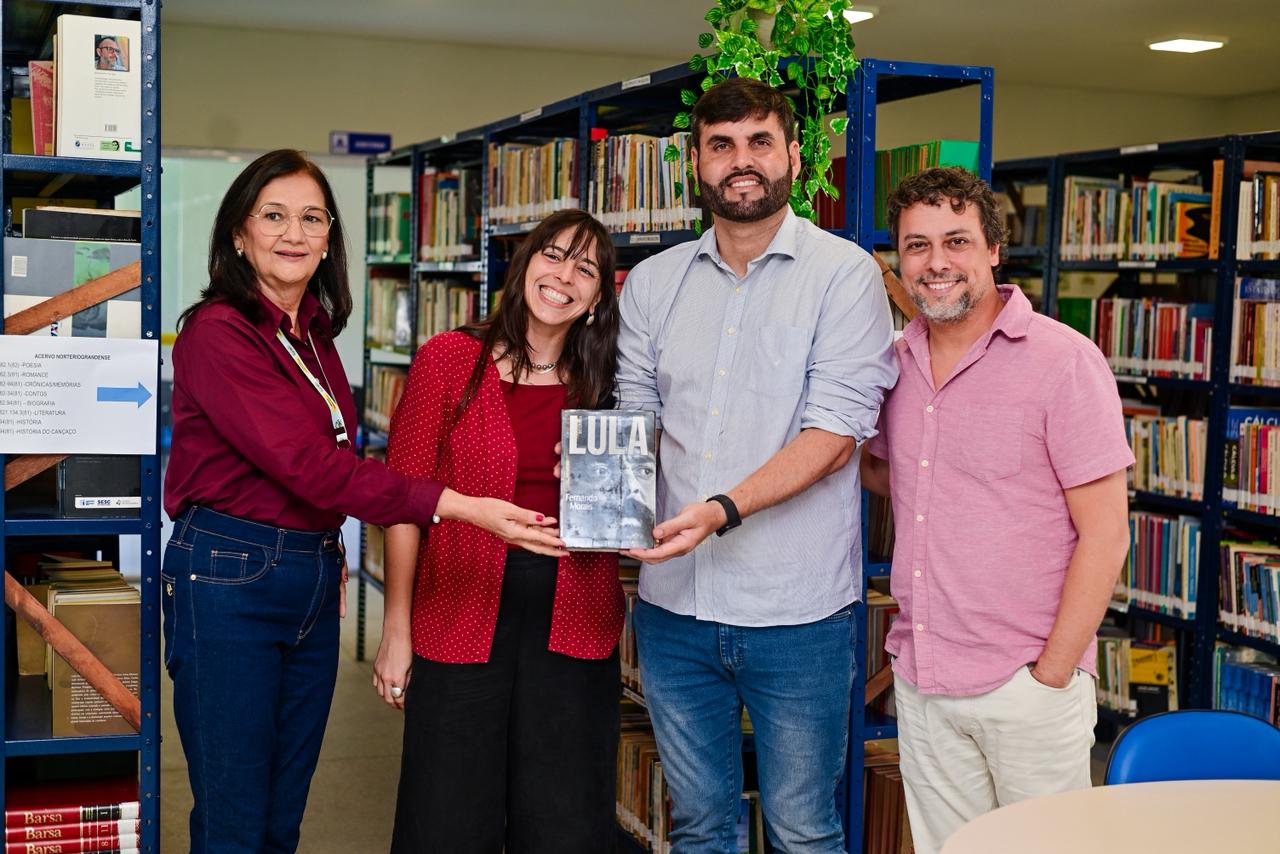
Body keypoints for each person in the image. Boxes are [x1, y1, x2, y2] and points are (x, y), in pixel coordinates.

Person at [162, 149, 562, 854]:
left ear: (328, 239)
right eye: (274, 216)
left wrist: (334, 548)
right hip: (230, 576)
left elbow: (335, 461)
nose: (294, 233)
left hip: (309, 575)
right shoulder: (217, 333)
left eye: (311, 218)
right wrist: (456, 502)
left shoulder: (314, 334)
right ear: (237, 234)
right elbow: (312, 468)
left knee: (282, 816)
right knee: (232, 820)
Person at [615, 77, 898, 852]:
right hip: (674, 609)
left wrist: (718, 509)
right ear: (696, 163)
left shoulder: (845, 277)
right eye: (722, 146)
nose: (742, 162)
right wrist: (600, 495)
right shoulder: (652, 283)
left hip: (798, 613)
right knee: (702, 825)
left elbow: (835, 433)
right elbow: (634, 417)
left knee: (804, 829)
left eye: (759, 142)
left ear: (795, 157)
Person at [860, 166, 1133, 854]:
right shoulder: (896, 363)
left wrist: (1052, 673)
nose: (936, 262)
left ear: (992, 250)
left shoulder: (1063, 362)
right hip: (924, 676)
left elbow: (1106, 534)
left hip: (1027, 682)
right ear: (899, 260)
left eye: (956, 241)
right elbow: (896, 476)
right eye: (917, 246)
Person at [372, 209, 625, 853]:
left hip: (576, 616)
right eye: (554, 255)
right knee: (447, 815)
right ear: (524, 264)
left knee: (564, 819)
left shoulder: (611, 383)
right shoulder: (449, 360)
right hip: (458, 606)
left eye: (586, 268)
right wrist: (395, 629)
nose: (564, 275)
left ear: (600, 296)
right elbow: (406, 500)